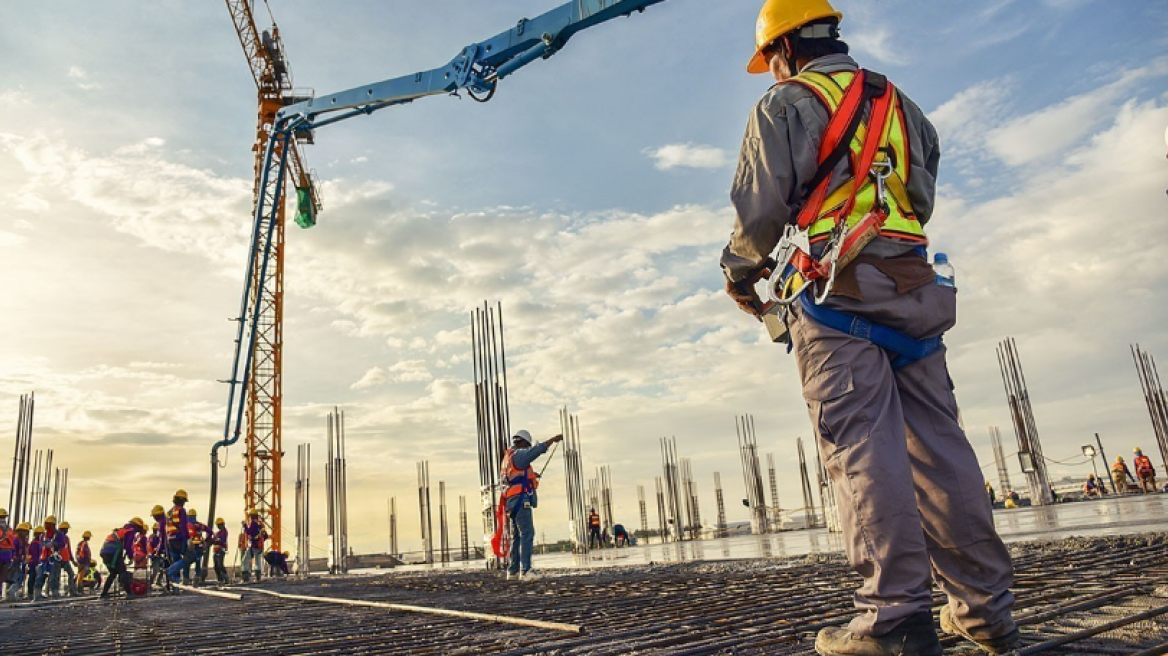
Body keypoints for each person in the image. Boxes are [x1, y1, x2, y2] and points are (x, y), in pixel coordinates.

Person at [721, 2, 1018, 654]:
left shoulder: (784, 105)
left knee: (863, 454)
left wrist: (740, 274)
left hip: (836, 299)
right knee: (943, 453)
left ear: (786, 49)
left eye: (769, 61)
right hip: (915, 291)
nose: (770, 74)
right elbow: (921, 194)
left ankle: (894, 620)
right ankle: (985, 611)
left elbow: (760, 211)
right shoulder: (902, 105)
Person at [501, 429, 563, 581]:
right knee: (527, 534)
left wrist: (531, 476)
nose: (527, 448)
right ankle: (526, 570)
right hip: (521, 500)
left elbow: (514, 477)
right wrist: (552, 439)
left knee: (516, 536)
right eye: (527, 445)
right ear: (522, 443)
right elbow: (536, 451)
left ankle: (513, 571)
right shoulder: (519, 454)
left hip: (511, 502)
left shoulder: (507, 459)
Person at [100, 518, 145, 599]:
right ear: (138, 526)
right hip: (112, 553)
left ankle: (104, 594)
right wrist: (131, 557)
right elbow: (128, 546)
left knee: (113, 573)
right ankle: (129, 593)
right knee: (122, 571)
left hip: (105, 552)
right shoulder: (131, 530)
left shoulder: (122, 530)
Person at [165, 489, 190, 583]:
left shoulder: (169, 512)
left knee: (176, 560)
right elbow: (183, 527)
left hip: (170, 539)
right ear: (181, 500)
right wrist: (188, 539)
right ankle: (169, 571)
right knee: (191, 557)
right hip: (179, 538)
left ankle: (176, 585)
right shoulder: (181, 510)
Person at [183, 509, 210, 584]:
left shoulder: (186, 525)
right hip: (199, 547)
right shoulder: (200, 525)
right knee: (198, 563)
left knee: (187, 563)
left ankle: (186, 580)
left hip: (190, 548)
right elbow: (210, 531)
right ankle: (196, 579)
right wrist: (206, 541)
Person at [241, 508, 267, 583]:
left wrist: (245, 525)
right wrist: (260, 540)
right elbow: (265, 536)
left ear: (252, 516)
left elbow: (248, 532)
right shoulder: (261, 524)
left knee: (245, 560)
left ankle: (245, 576)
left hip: (253, 545)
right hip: (260, 546)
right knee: (258, 561)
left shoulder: (253, 523)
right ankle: (258, 578)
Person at [6, 522, 30, 601]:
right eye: (25, 532)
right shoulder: (15, 539)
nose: (26, 534)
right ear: (20, 531)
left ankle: (9, 594)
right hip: (14, 561)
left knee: (14, 577)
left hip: (18, 561)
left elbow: (22, 551)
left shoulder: (21, 541)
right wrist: (15, 557)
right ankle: (11, 593)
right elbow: (13, 549)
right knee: (16, 577)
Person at [25, 525, 43, 599]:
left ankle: (33, 593)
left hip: (35, 563)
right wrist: (35, 563)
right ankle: (30, 593)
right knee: (33, 578)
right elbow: (35, 555)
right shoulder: (35, 543)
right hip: (34, 563)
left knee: (35, 578)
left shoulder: (38, 543)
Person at [210, 517, 229, 585]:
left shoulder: (224, 532)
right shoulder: (217, 533)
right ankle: (220, 579)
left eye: (220, 525)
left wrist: (215, 540)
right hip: (216, 551)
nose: (219, 526)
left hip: (221, 550)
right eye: (218, 525)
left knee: (220, 565)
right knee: (216, 566)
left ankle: (226, 578)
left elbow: (222, 540)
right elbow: (213, 540)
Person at [0, 509, 14, 599]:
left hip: (4, 552)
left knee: (1, 575)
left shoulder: (8, 529)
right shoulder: (9, 529)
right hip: (7, 553)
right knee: (1, 575)